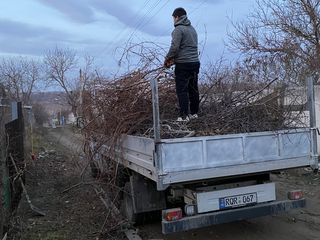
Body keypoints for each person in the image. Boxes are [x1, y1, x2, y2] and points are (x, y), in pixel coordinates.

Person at [164, 7, 200, 122]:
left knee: (182, 90)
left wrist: (167, 59)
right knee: (193, 89)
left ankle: (184, 116)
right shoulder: (192, 29)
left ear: (177, 17)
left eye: (173, 18)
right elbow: (187, 48)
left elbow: (175, 48)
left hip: (183, 65)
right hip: (195, 63)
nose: (173, 20)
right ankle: (194, 113)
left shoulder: (178, 29)